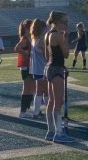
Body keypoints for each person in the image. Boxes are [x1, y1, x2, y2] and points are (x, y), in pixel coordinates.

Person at [43, 11, 75, 143]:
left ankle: (50, 131)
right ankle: (59, 133)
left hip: (49, 68)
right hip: (56, 69)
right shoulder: (58, 35)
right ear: (57, 22)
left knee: (51, 101)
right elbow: (66, 54)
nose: (66, 25)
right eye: (64, 22)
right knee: (58, 102)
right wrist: (66, 38)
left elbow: (46, 55)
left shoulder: (47, 34)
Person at [14, 19, 35, 118]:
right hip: (25, 65)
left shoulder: (29, 37)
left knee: (31, 88)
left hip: (29, 65)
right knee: (27, 88)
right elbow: (17, 48)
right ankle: (23, 111)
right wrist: (26, 53)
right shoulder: (25, 38)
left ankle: (27, 108)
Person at [28, 18, 48, 118]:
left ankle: (36, 112)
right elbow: (47, 56)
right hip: (42, 69)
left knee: (39, 91)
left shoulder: (33, 39)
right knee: (45, 91)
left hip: (36, 69)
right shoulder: (41, 41)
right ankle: (48, 111)